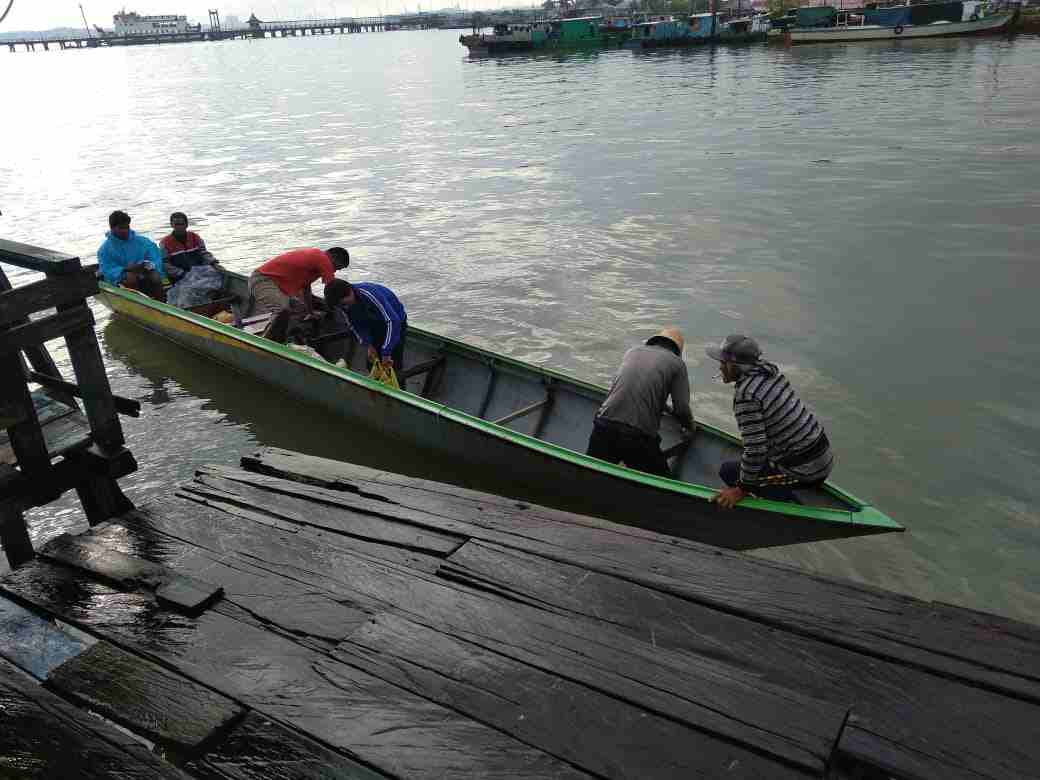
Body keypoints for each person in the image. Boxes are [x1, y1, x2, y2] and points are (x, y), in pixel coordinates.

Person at [705, 335, 834, 509]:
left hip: (806, 471)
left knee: (729, 472)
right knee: (746, 467)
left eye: (723, 362)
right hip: (822, 457)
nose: (720, 366)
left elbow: (756, 449)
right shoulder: (771, 374)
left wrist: (740, 489)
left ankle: (791, 509)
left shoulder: (746, 395)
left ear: (735, 365)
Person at [586, 328, 694, 478]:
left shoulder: (632, 352)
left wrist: (666, 409)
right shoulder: (677, 364)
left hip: (603, 425)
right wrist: (689, 427)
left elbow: (626, 389)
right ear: (678, 350)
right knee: (663, 484)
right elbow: (682, 408)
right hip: (637, 436)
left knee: (590, 475)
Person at [324, 279, 407, 372]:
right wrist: (368, 345)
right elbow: (355, 325)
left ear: (351, 292)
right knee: (372, 363)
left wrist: (386, 353)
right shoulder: (343, 304)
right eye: (340, 306)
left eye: (345, 304)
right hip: (372, 322)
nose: (345, 308)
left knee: (393, 366)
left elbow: (393, 321)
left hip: (394, 321)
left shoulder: (370, 295)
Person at [248, 246, 349, 318]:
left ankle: (290, 337)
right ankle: (269, 340)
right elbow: (332, 287)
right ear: (334, 258)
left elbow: (306, 290)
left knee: (300, 310)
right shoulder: (322, 258)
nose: (335, 270)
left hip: (277, 287)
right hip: (264, 280)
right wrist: (333, 308)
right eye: (337, 267)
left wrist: (310, 312)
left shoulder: (313, 265)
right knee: (282, 310)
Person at [97, 210, 165, 301]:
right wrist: (125, 269)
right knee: (130, 277)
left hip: (143, 270)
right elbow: (107, 270)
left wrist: (149, 265)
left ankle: (162, 301)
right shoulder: (104, 250)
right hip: (122, 277)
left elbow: (155, 258)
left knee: (155, 275)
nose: (125, 230)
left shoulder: (143, 241)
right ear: (112, 228)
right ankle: (139, 303)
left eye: (127, 227)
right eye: (121, 228)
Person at [159, 212, 218, 281]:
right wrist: (183, 274)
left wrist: (213, 262)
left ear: (186, 225)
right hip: (180, 277)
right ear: (172, 225)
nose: (179, 227)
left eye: (182, 224)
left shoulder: (194, 237)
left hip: (199, 272)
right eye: (176, 224)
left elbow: (204, 253)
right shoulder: (165, 243)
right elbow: (165, 264)